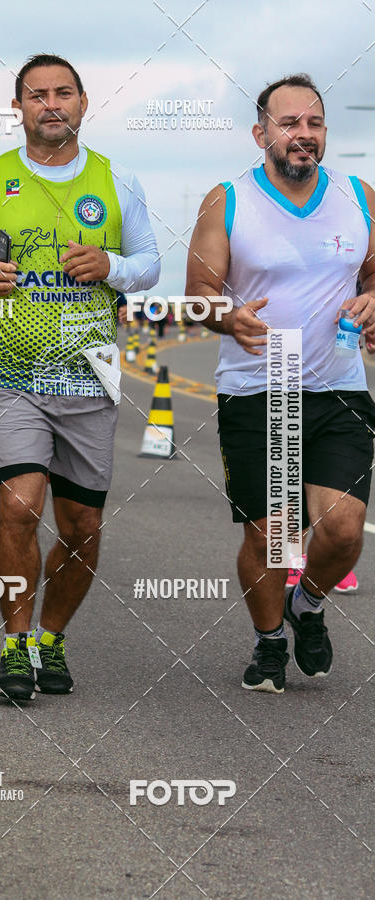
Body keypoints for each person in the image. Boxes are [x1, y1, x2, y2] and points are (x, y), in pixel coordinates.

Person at [0, 53, 160, 700]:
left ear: (84, 103)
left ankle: (50, 637)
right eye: (38, 95)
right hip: (8, 372)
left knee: (82, 526)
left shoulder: (118, 180)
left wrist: (111, 265)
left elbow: (149, 263)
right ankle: (14, 646)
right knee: (19, 504)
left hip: (89, 376)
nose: (51, 104)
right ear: (19, 107)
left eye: (64, 93)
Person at [186, 73, 375, 693]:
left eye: (314, 123)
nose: (304, 134)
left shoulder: (358, 195)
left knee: (342, 529)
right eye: (289, 123)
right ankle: (269, 641)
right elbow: (198, 293)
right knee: (272, 537)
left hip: (339, 389)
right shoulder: (228, 200)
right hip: (258, 388)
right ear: (260, 132)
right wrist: (226, 315)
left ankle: (308, 605)